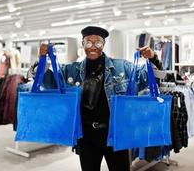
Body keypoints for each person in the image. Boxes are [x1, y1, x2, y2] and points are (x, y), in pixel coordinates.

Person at [29, 26, 163, 171]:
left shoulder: (122, 67)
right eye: (88, 42)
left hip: (114, 135)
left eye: (98, 42)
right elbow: (47, 80)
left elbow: (152, 77)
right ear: (83, 44)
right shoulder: (72, 70)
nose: (93, 47)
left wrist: (153, 58)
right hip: (86, 137)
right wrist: (40, 60)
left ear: (103, 44)